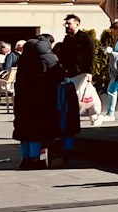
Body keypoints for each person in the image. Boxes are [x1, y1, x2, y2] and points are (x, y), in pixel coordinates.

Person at [12, 35, 74, 169]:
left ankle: (26, 158)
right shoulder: (51, 58)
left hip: (23, 98)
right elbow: (57, 78)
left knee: (25, 130)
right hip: (44, 100)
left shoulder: (24, 57)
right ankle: (36, 158)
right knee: (37, 131)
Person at [57, 13, 100, 124]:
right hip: (69, 71)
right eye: (66, 24)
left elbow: (90, 56)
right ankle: (78, 115)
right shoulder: (67, 39)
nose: (67, 26)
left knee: (82, 94)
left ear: (77, 24)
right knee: (76, 95)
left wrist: (89, 72)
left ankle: (93, 115)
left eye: (69, 24)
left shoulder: (85, 38)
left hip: (81, 71)